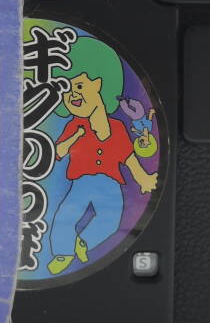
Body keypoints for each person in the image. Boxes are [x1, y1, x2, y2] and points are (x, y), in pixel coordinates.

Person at [46, 37, 157, 275]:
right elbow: (58, 152)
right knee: (65, 215)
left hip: (111, 185)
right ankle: (63, 253)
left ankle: (81, 243)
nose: (73, 95)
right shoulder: (74, 125)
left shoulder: (117, 128)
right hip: (81, 182)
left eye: (79, 86)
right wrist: (74, 137)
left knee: (111, 221)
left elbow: (129, 157)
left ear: (97, 84)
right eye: (67, 90)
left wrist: (143, 178)